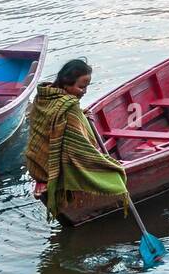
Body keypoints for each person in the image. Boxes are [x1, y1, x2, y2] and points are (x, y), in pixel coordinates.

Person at [25, 58, 127, 220]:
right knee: (114, 170)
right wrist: (107, 165)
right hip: (51, 170)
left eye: (86, 87)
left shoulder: (44, 95)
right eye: (81, 87)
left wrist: (81, 116)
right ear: (66, 85)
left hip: (36, 163)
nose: (84, 91)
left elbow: (51, 126)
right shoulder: (69, 106)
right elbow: (83, 147)